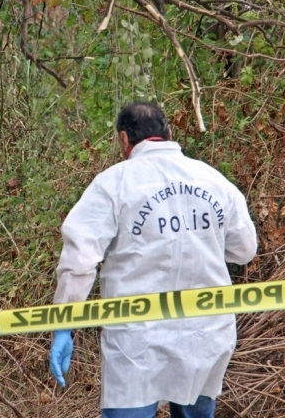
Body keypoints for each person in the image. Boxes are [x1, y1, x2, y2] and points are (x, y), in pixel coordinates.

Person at [49, 102, 257, 418]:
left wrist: (64, 324)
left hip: (137, 340)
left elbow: (80, 259)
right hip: (205, 333)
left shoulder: (113, 184)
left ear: (123, 140)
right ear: (169, 134)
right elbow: (244, 250)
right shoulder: (213, 181)